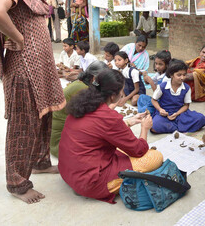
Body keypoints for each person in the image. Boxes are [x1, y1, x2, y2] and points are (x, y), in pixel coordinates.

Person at [0, 0, 65, 204]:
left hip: (39, 68)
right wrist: (19, 39)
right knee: (22, 125)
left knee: (44, 117)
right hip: (23, 70)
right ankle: (17, 183)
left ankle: (40, 162)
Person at [58, 69, 163, 203]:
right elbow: (138, 150)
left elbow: (97, 130)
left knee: (119, 148)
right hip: (90, 182)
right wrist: (144, 128)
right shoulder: (109, 117)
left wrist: (128, 122)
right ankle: (100, 185)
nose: (122, 94)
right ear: (113, 96)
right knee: (155, 157)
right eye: (121, 91)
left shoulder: (81, 104)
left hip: (68, 172)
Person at [51, 61, 109, 157]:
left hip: (58, 133)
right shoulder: (83, 89)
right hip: (60, 142)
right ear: (94, 78)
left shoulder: (81, 83)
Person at [151, 60, 205, 133]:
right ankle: (180, 127)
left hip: (180, 113)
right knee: (154, 127)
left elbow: (186, 106)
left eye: (184, 75)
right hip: (165, 113)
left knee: (200, 118)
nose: (182, 78)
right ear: (171, 75)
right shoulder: (163, 86)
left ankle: (173, 126)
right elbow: (154, 100)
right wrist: (160, 110)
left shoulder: (186, 88)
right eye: (179, 75)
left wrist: (177, 114)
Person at [138, 50, 172, 115]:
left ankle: (149, 111)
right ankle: (147, 110)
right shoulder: (158, 73)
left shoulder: (166, 78)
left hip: (162, 101)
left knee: (146, 108)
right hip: (156, 99)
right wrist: (145, 76)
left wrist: (151, 82)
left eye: (160, 64)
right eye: (156, 63)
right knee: (141, 97)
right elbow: (147, 82)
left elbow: (157, 95)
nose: (157, 66)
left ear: (167, 65)